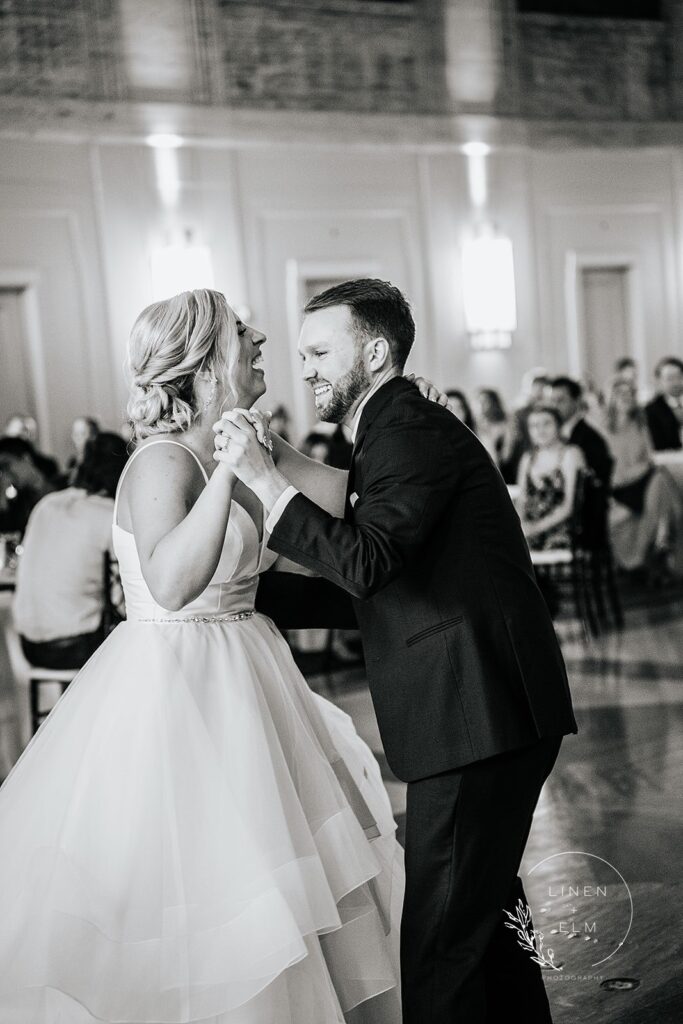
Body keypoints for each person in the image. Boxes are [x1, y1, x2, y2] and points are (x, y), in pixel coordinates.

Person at [0, 289, 413, 1022]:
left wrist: (394, 413)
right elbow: (170, 580)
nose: (259, 337)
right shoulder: (161, 461)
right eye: (239, 330)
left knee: (293, 881)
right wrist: (230, 469)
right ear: (201, 363)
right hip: (178, 688)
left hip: (250, 674)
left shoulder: (248, 435)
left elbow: (352, 502)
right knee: (210, 888)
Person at [215, 277, 578, 1023]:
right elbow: (384, 588)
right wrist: (240, 598)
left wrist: (264, 482)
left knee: (438, 951)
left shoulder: (405, 429)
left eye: (320, 351)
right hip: (483, 710)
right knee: (482, 934)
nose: (305, 367)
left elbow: (366, 563)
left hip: (477, 717)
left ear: (374, 352)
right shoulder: (391, 429)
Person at [13, 432, 128, 670]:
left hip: (28, 645)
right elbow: (125, 589)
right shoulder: (109, 514)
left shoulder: (47, 504)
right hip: (76, 646)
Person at [603, 377, 683, 577]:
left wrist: (644, 469)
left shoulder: (640, 425)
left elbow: (649, 457)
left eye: (630, 393)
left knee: (661, 480)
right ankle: (662, 537)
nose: (626, 397)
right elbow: (614, 473)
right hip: (621, 487)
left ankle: (661, 537)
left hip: (642, 484)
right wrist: (642, 470)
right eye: (621, 393)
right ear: (612, 397)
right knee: (662, 479)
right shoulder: (605, 429)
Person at [517, 406, 585, 551]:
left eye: (546, 423)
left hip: (561, 528)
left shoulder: (570, 454)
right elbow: (522, 499)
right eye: (534, 426)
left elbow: (569, 506)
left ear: (558, 426)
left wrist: (536, 528)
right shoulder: (528, 458)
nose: (540, 430)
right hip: (530, 529)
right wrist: (520, 526)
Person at [549, 376, 614, 490]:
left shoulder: (592, 439)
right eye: (552, 401)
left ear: (577, 401)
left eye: (561, 401)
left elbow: (597, 484)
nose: (555, 407)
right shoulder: (553, 435)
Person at [474, 388, 524, 483]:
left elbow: (507, 454)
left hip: (505, 468)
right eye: (479, 401)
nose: (481, 405)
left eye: (485, 401)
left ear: (494, 402)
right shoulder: (476, 423)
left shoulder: (507, 421)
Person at [645, 356, 683, 451]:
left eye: (679, 377)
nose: (675, 382)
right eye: (669, 378)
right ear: (659, 381)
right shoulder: (651, 410)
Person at [66, 415, 100, 482]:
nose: (77, 438)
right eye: (75, 434)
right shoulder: (73, 462)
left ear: (94, 436)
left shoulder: (99, 463)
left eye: (82, 434)